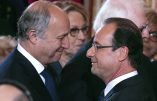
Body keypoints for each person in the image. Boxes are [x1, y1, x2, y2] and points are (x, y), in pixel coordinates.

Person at [0, 1, 70, 101]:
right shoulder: (10, 81)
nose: (67, 45)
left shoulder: (53, 67)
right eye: (61, 37)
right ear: (34, 36)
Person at [87, 17, 156, 101]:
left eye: (97, 46)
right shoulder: (132, 90)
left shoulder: (129, 97)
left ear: (122, 53)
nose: (89, 53)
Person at [50, 1, 97, 101]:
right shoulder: (46, 73)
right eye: (74, 30)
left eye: (84, 29)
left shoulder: (93, 69)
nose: (82, 37)